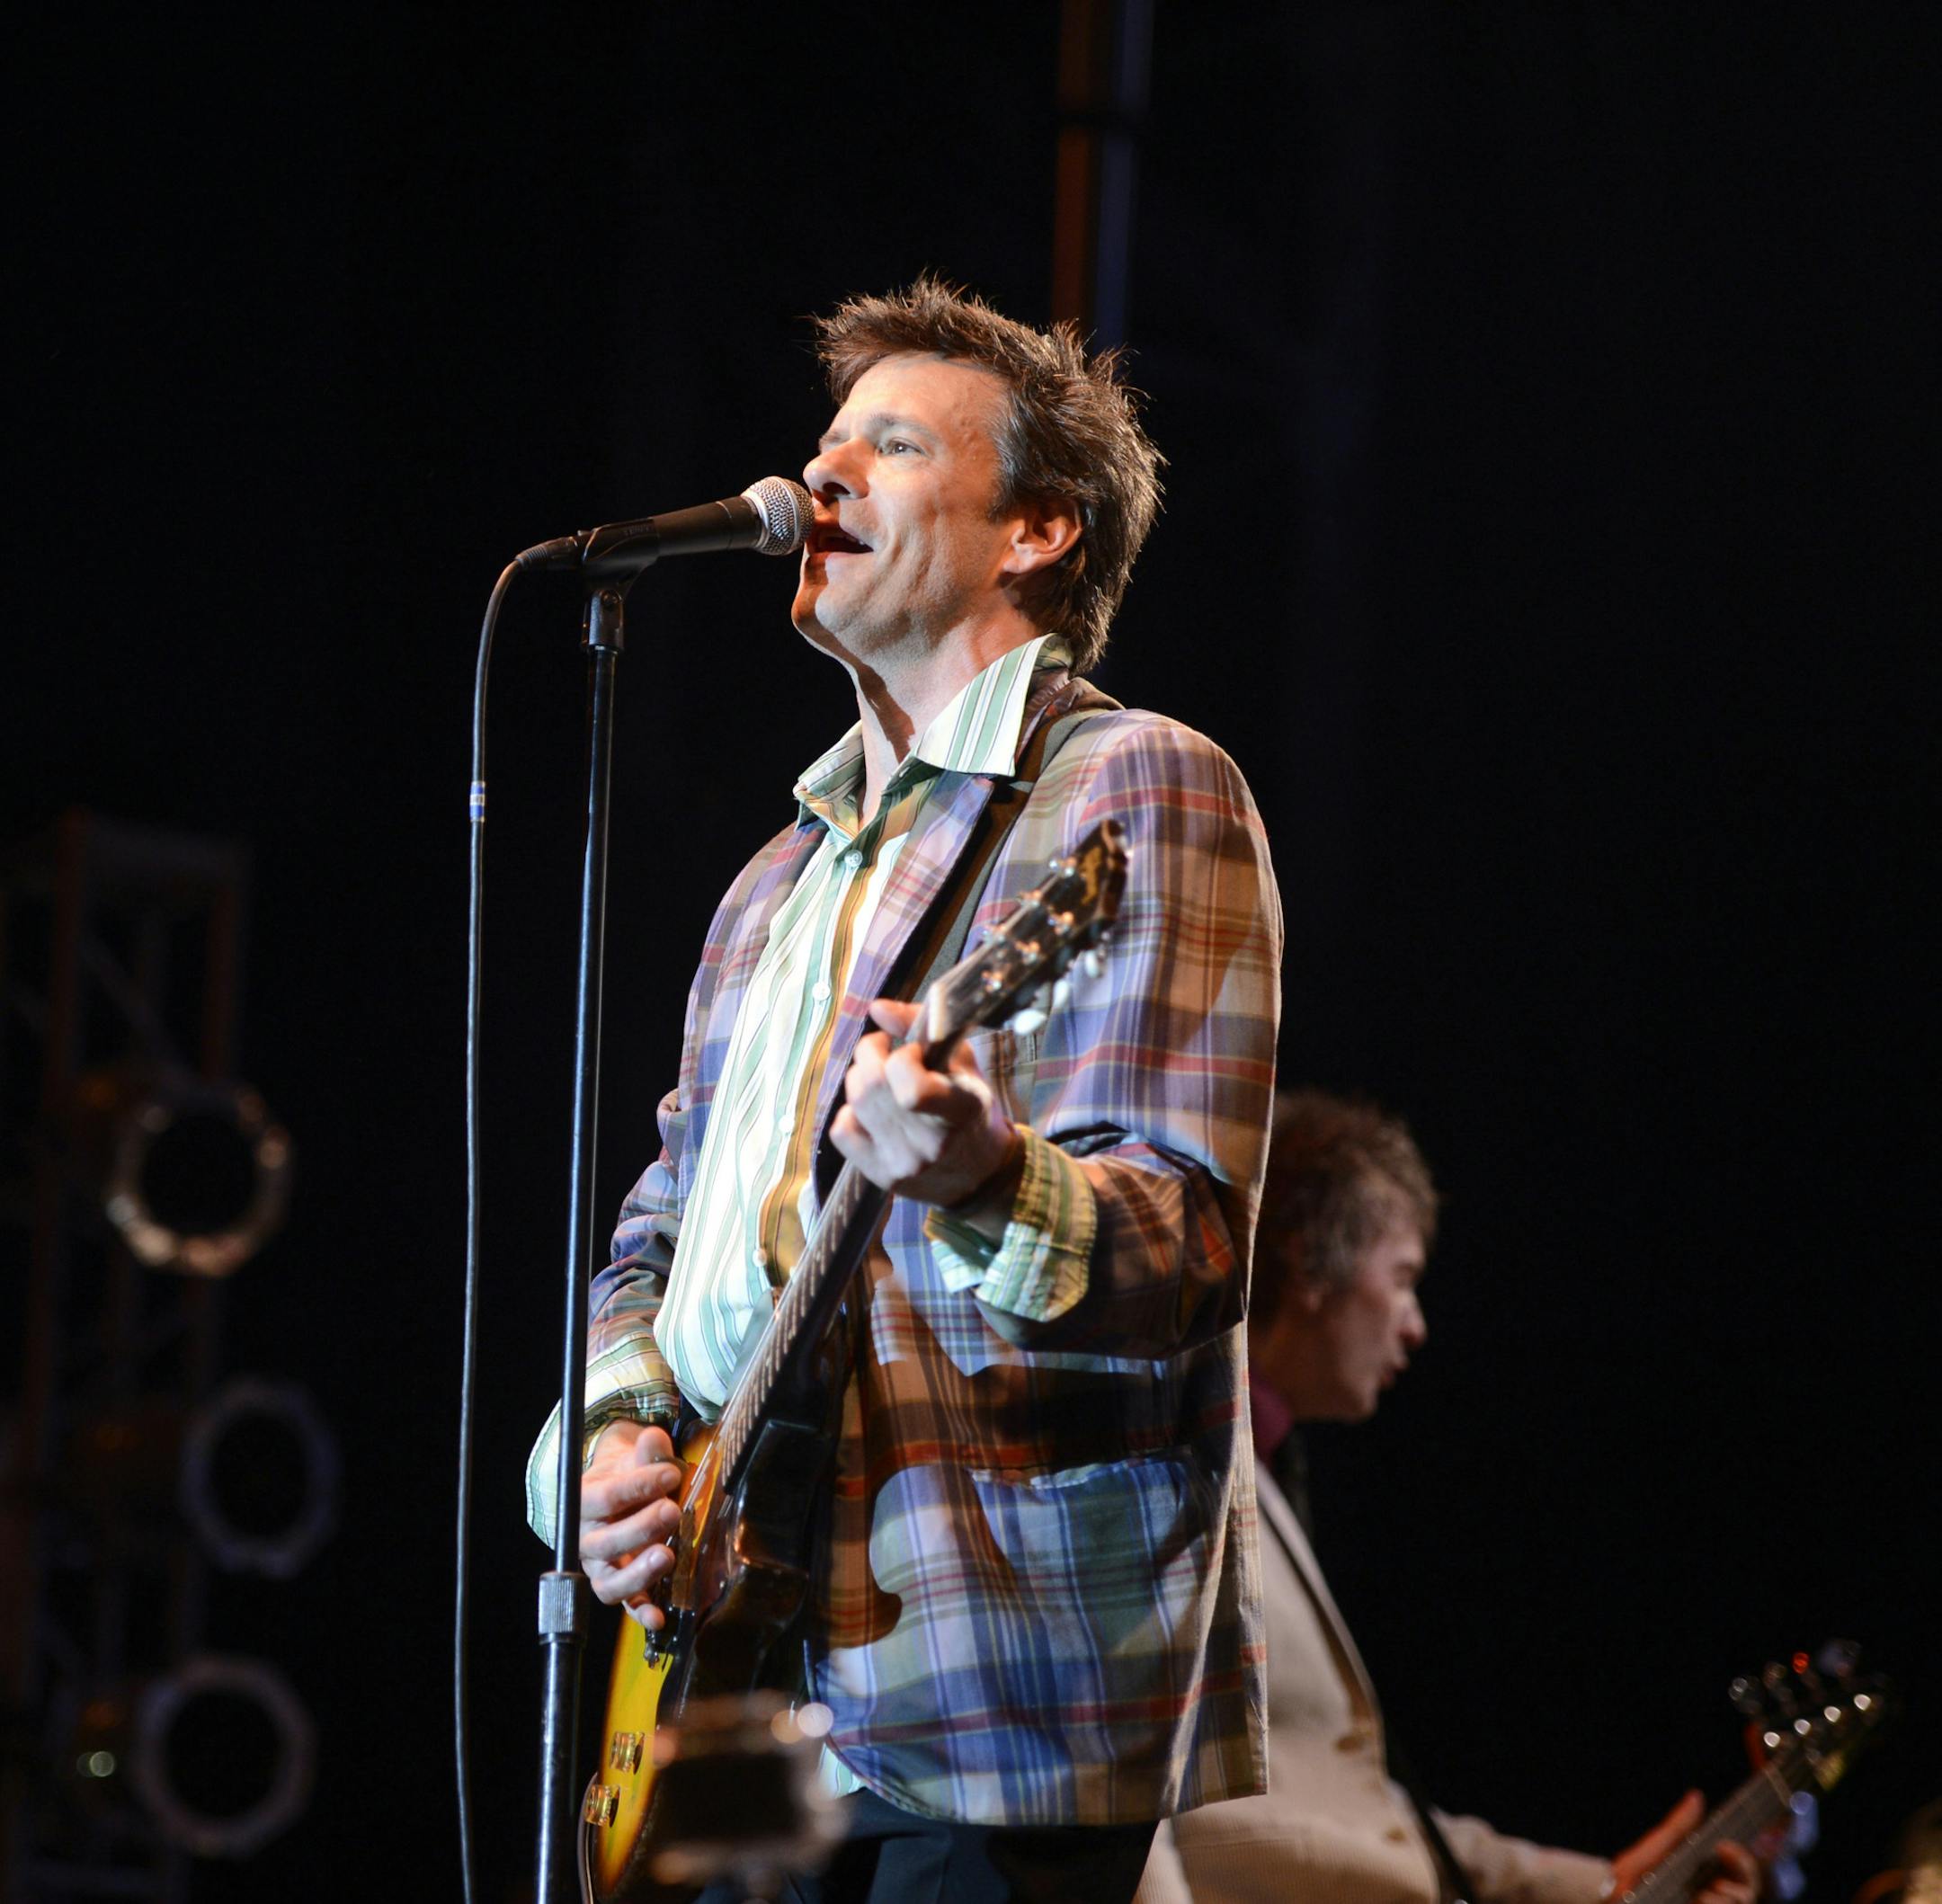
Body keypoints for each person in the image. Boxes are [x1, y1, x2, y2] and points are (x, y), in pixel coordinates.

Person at [524, 277, 1282, 1901]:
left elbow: (1192, 1240)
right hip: (728, 1671)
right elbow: (653, 1242)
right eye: (822, 444)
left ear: (1038, 530)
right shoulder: (768, 887)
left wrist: (991, 1177)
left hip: (982, 1684)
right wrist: (603, 1453)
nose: (824, 479)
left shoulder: (1136, 781)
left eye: (888, 443)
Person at [1136, 1090, 1763, 1904]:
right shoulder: (1178, 1461)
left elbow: (1365, 1815)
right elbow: (1123, 1771)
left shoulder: (1261, 1476)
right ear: (1310, 1259)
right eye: (1402, 1279)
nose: (1415, 1325)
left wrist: (1606, 1885)